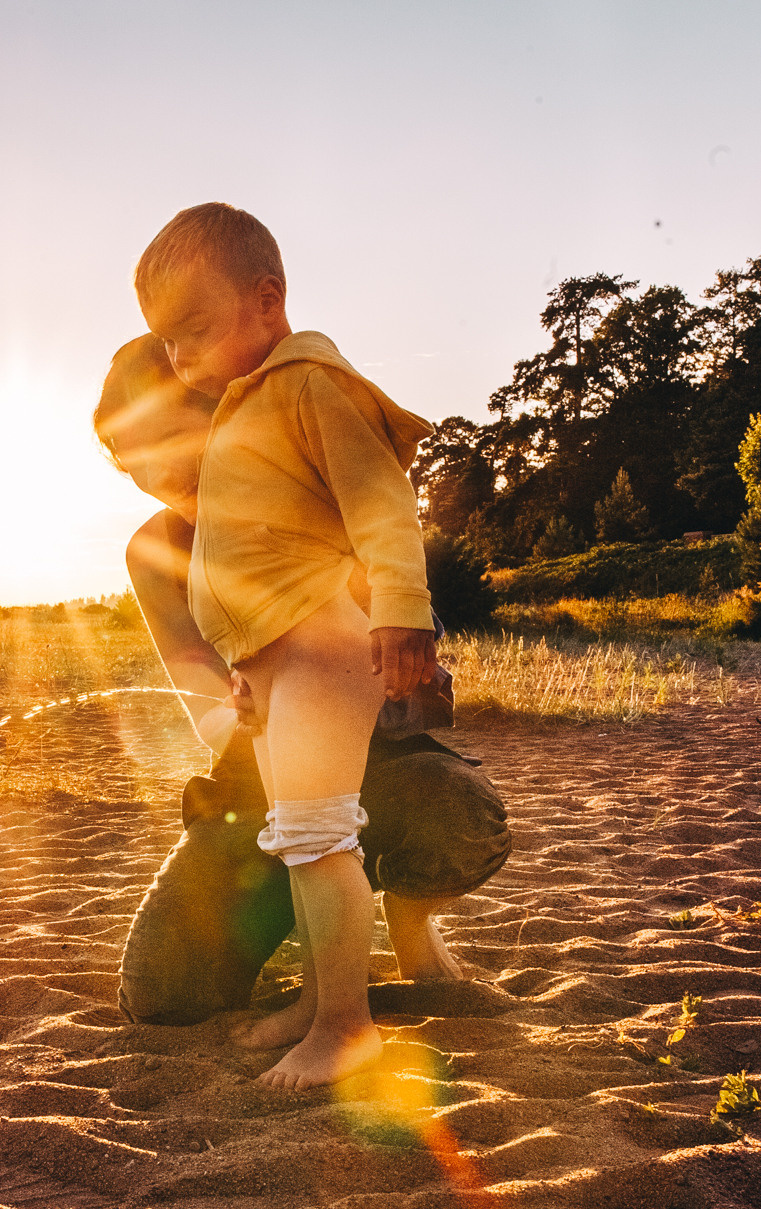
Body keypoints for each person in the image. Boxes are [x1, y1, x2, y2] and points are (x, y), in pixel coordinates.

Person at [114, 202, 496, 1088]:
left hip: (337, 674)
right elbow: (213, 649)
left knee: (320, 837)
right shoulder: (181, 515)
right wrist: (240, 692)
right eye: (123, 465)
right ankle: (321, 1001)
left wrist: (401, 616)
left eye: (194, 333)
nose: (181, 357)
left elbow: (382, 507)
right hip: (273, 705)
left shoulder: (301, 391)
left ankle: (346, 1026)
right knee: (296, 846)